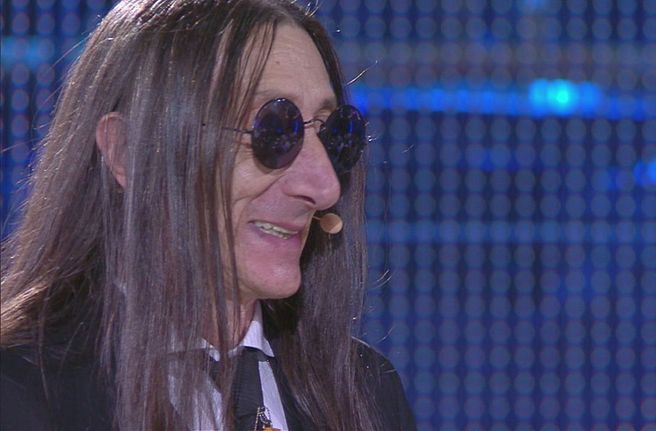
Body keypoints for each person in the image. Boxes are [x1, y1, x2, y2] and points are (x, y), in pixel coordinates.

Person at [0, 1, 416, 430]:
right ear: (128, 151)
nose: (324, 187)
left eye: (331, 133)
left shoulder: (369, 393)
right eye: (272, 129)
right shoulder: (18, 394)